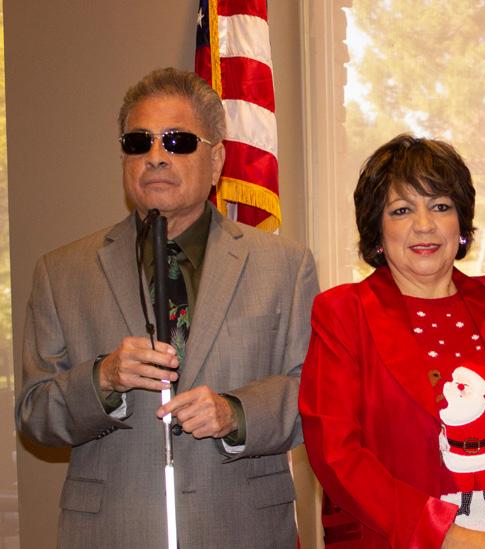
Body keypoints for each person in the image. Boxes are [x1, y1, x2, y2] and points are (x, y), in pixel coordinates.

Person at [15, 68, 318, 548]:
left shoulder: (285, 265)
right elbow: (35, 414)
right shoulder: (61, 272)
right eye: (139, 142)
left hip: (243, 529)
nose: (156, 156)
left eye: (177, 141)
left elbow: (313, 396)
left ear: (216, 161)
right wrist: (102, 379)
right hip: (112, 531)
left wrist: (235, 412)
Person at [299, 134, 485, 548]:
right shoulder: (342, 314)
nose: (424, 224)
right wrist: (444, 535)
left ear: (461, 223)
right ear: (377, 230)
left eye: (441, 206)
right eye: (401, 210)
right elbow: (336, 454)